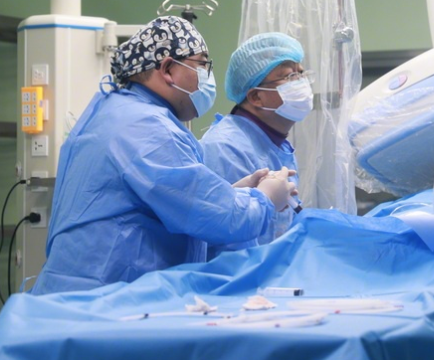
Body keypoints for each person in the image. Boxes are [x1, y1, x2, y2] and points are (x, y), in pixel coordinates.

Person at [30, 17, 296, 295]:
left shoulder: (114, 111)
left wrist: (234, 192)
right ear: (168, 69)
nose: (207, 77)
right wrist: (265, 199)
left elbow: (163, 203)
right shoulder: (147, 128)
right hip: (106, 302)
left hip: (80, 295)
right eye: (202, 65)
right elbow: (224, 220)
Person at [200, 32, 314, 258]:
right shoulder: (226, 149)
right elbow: (231, 251)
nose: (301, 83)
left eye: (301, 73)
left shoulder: (275, 144)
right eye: (289, 76)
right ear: (256, 97)